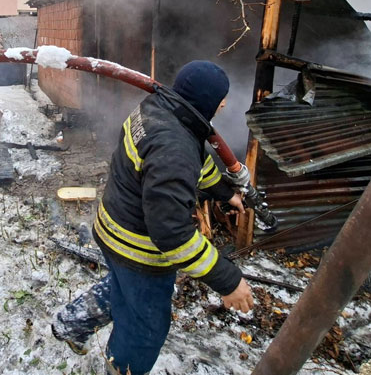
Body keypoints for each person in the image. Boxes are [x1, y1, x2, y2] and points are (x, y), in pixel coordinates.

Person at [51, 60, 254, 375]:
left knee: (123, 288)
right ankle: (121, 369)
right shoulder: (175, 147)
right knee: (145, 328)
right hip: (138, 250)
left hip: (112, 226)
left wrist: (225, 193)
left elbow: (196, 161)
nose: (225, 104)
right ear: (207, 100)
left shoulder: (158, 110)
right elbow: (172, 234)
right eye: (221, 98)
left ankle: (73, 323)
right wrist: (228, 281)